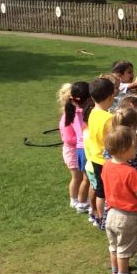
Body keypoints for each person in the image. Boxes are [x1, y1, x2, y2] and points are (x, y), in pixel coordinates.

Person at [102, 125, 137, 274]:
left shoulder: (107, 166)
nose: (136, 149)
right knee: (124, 251)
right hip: (128, 216)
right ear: (123, 149)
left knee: (114, 247)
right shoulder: (130, 172)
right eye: (134, 146)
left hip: (112, 213)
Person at [84, 76, 115, 230]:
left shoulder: (92, 112)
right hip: (107, 160)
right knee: (107, 191)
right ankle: (105, 219)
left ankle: (99, 217)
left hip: (95, 158)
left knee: (100, 191)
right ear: (111, 96)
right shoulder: (109, 117)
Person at [59, 82, 90, 214]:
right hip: (73, 151)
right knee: (77, 177)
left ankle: (82, 198)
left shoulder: (79, 112)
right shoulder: (68, 116)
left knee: (83, 177)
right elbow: (67, 138)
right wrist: (82, 139)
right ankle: (74, 199)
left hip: (79, 148)